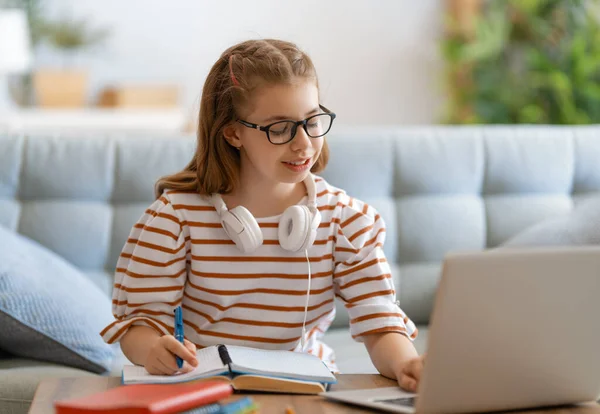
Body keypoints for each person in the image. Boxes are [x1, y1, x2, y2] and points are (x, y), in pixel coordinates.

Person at [100, 39, 423, 392]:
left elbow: (380, 323)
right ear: (233, 132)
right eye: (280, 128)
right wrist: (152, 351)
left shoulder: (344, 220)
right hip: (207, 391)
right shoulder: (175, 219)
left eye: (312, 121)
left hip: (306, 390)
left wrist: (407, 363)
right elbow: (140, 325)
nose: (303, 144)